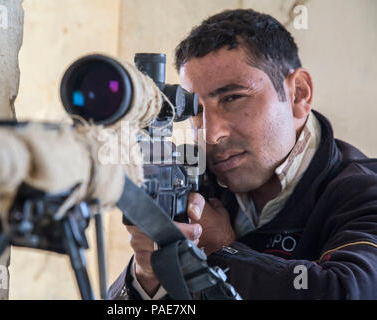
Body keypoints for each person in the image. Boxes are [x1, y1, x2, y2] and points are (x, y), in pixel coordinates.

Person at [108, 8, 377, 299]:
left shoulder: (364, 191)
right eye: (196, 111)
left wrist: (221, 250)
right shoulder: (194, 183)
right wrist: (148, 273)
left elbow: (346, 290)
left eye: (233, 98)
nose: (211, 135)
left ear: (298, 94)